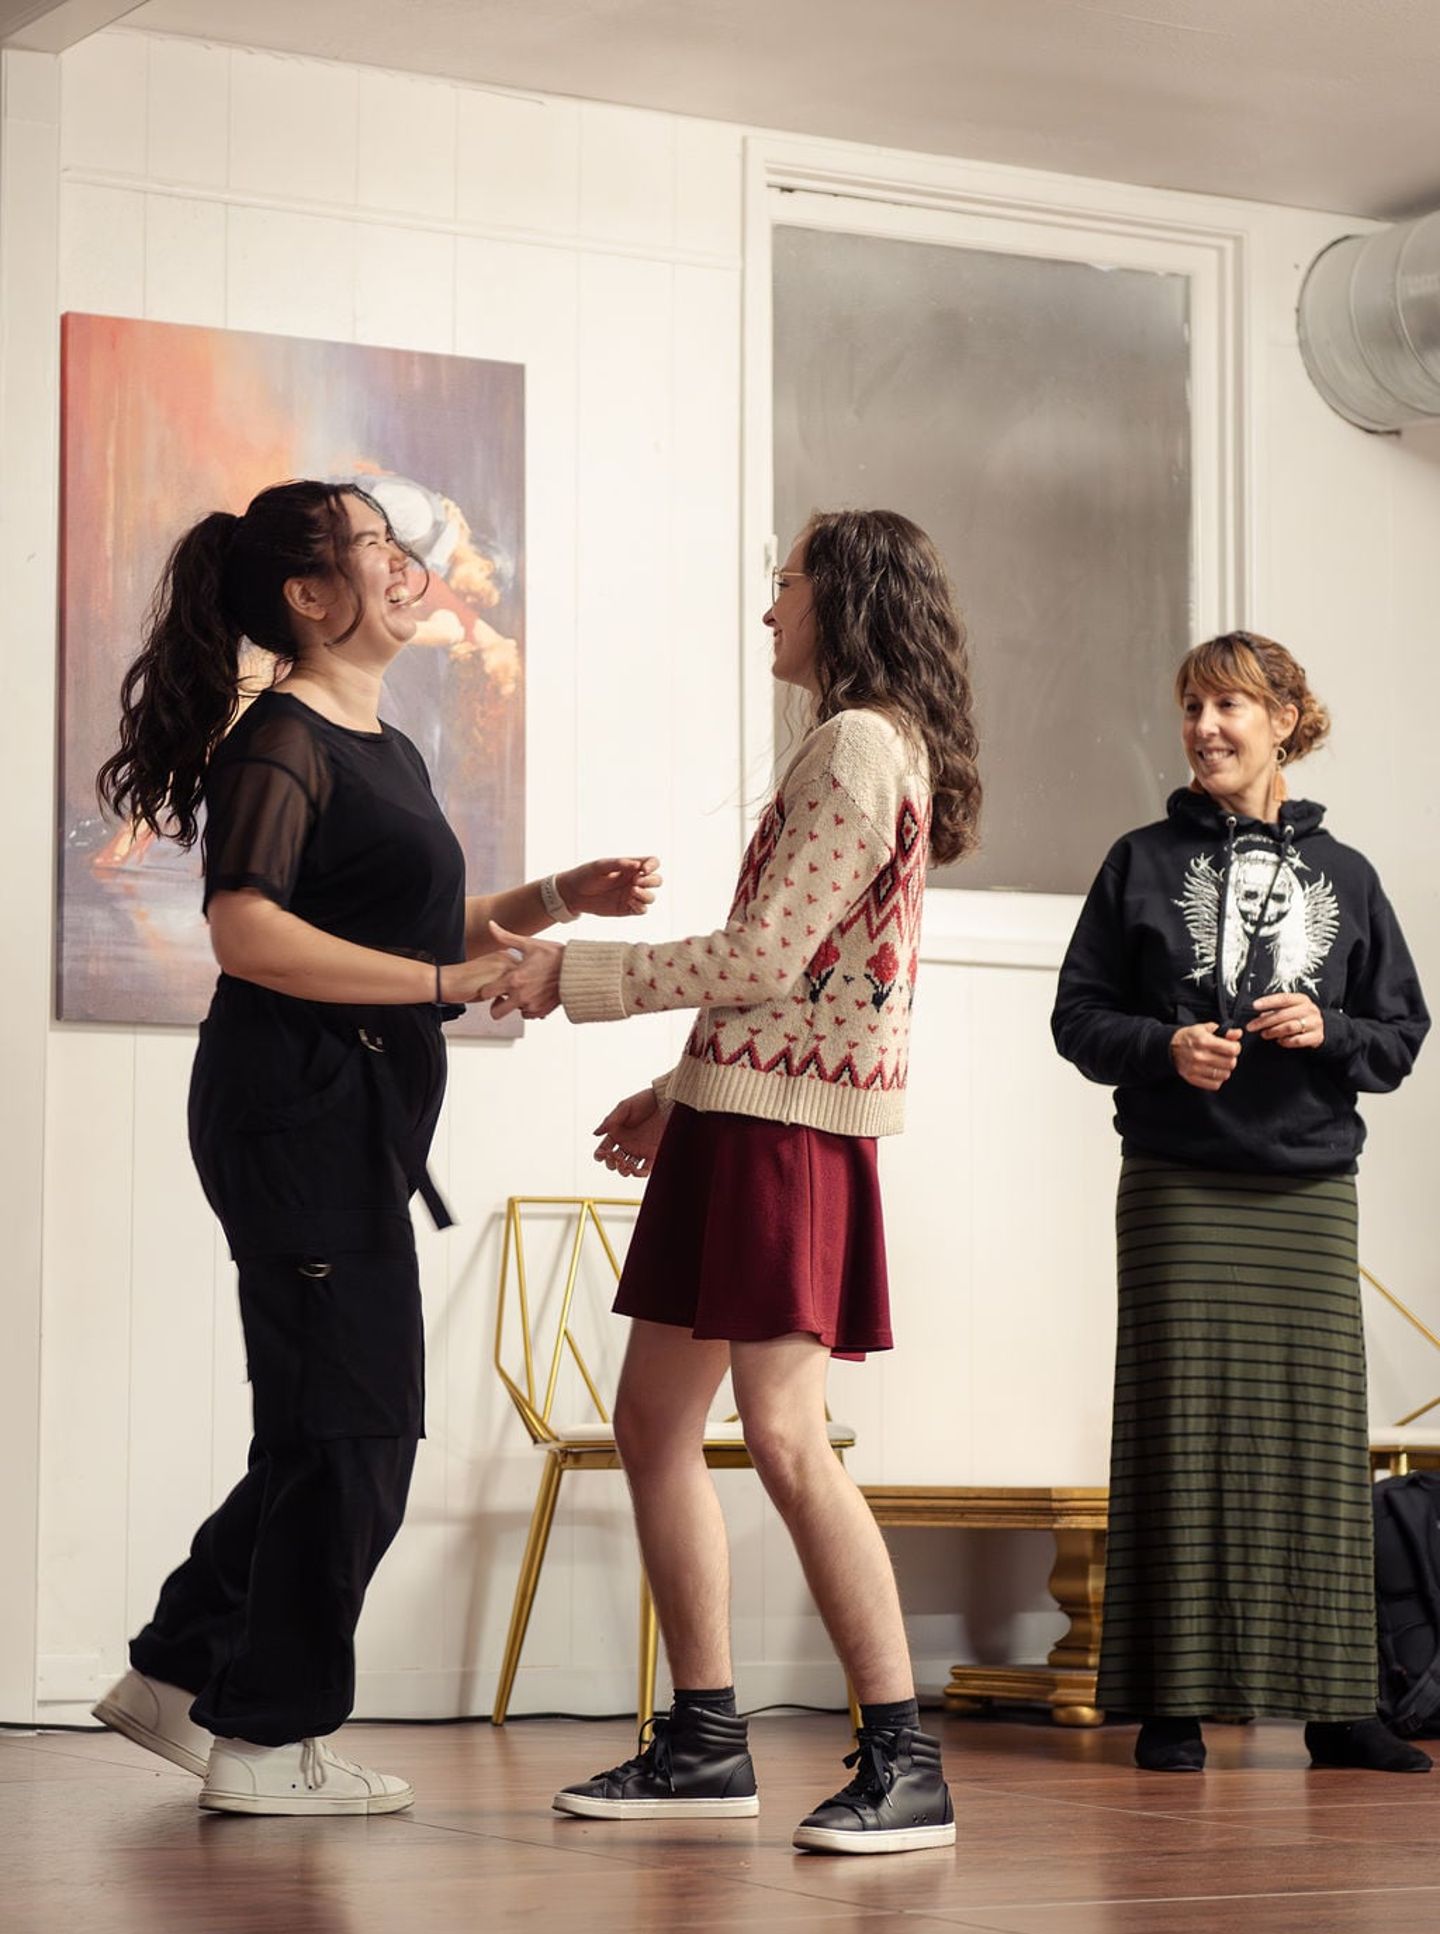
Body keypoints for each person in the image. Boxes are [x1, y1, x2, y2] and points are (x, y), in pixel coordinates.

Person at [91, 480, 660, 1816]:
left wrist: (551, 899)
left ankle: (179, 1679)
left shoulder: (374, 747)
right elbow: (249, 930)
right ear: (310, 595)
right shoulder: (279, 740)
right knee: (357, 1434)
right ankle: (267, 1741)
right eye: (378, 547)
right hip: (294, 1117)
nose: (408, 566)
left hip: (338, 1124)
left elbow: (406, 916)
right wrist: (442, 990)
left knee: (321, 1429)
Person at [486, 509, 981, 1852]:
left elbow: (764, 953)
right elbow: (804, 978)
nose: (770, 612)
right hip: (745, 1116)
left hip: (785, 1138)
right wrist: (679, 1092)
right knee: (655, 1424)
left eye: (785, 586)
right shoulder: (853, 745)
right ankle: (705, 1743)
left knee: (780, 1437)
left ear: (844, 598)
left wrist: (572, 975)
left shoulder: (859, 747)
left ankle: (903, 1760)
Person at [1052, 630, 1431, 1774]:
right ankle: (1171, 1705)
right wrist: (1167, 1047)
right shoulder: (1138, 860)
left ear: (1283, 721)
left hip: (1308, 1187)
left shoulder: (1351, 877)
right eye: (1192, 706)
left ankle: (1337, 1706)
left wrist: (1333, 1032)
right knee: (1179, 1439)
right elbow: (1079, 1020)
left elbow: (1401, 1035)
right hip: (1178, 1184)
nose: (1206, 727)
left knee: (1317, 1448)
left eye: (1229, 706)